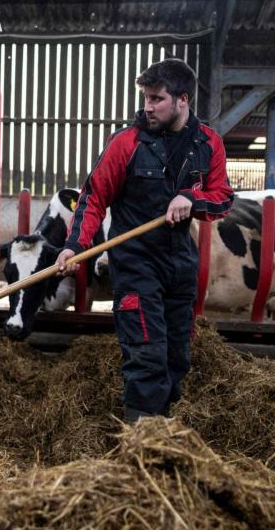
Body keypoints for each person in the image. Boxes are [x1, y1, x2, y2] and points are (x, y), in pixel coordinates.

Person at [55, 58, 234, 422]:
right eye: (146, 99)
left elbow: (224, 198)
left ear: (182, 100)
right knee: (147, 354)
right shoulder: (127, 143)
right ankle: (139, 440)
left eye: (156, 99)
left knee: (176, 356)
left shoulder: (207, 143)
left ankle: (165, 432)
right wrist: (75, 246)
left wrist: (192, 199)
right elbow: (93, 197)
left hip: (179, 264)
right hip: (135, 262)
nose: (147, 107)